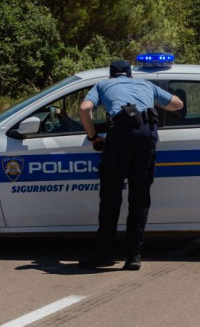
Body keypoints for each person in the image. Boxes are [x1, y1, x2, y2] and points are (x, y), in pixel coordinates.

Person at [77, 60, 183, 270]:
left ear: (111, 75)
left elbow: (84, 108)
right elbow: (177, 104)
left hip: (120, 137)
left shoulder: (102, 85)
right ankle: (134, 256)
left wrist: (93, 137)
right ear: (130, 75)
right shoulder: (145, 84)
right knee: (140, 198)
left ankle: (103, 255)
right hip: (146, 135)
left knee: (110, 198)